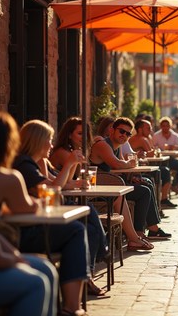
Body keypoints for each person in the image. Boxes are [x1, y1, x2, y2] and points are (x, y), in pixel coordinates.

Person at [49, 118, 152, 279]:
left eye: (127, 133)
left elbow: (72, 179)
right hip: (64, 202)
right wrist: (74, 168)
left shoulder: (75, 152)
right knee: (127, 196)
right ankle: (113, 247)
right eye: (79, 133)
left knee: (144, 189)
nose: (124, 135)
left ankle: (129, 238)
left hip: (76, 197)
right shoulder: (65, 153)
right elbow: (62, 183)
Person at [12, 119, 89, 316]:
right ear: (38, 141)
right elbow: (54, 190)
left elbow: (55, 188)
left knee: (82, 223)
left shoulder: (29, 164)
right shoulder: (23, 164)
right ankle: (72, 305)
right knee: (77, 229)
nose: (52, 145)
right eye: (49, 140)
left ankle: (77, 294)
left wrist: (71, 165)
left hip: (20, 230)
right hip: (18, 234)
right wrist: (70, 163)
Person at [0, 111, 58, 316]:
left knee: (47, 268)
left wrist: (12, 256)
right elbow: (31, 203)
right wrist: (11, 259)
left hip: (4, 245)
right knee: (37, 283)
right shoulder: (8, 177)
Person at [90, 117, 171, 239]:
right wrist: (130, 163)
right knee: (144, 191)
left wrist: (132, 175)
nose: (124, 135)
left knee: (146, 184)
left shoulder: (116, 147)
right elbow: (117, 164)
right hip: (98, 191)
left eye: (128, 134)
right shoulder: (103, 145)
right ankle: (139, 233)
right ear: (112, 130)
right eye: (121, 131)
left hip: (111, 187)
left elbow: (121, 165)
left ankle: (149, 229)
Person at [129, 119, 176, 209]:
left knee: (163, 170)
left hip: (141, 168)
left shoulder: (146, 138)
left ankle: (162, 200)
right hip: (138, 171)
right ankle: (162, 200)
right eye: (148, 128)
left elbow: (152, 150)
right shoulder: (141, 139)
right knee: (164, 171)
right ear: (140, 130)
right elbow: (151, 152)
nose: (150, 130)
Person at [153, 117, 178, 193]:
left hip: (172, 158)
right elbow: (153, 147)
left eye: (167, 125)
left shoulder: (175, 135)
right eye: (163, 126)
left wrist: (174, 147)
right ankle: (174, 185)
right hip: (161, 160)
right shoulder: (156, 135)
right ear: (160, 126)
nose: (165, 127)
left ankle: (175, 184)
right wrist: (159, 150)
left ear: (170, 126)